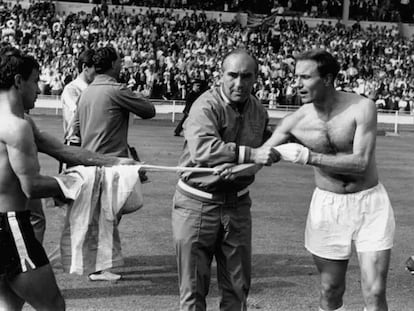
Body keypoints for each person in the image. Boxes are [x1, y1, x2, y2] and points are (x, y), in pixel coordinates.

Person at [259, 49, 395, 311]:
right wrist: (225, 167)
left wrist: (308, 156)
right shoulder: (293, 121)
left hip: (370, 205)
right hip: (328, 206)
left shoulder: (361, 107)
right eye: (296, 77)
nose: (297, 84)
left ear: (328, 78)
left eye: (305, 77)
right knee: (330, 291)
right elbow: (261, 156)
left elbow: (360, 163)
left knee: (375, 292)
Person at [172, 49, 280, 311]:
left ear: (256, 78)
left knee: (237, 289)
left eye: (246, 76)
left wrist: (273, 151)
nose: (239, 83)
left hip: (238, 206)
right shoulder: (204, 106)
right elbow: (203, 149)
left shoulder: (257, 109)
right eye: (232, 75)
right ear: (220, 76)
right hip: (197, 206)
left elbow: (266, 145)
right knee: (193, 291)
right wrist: (252, 154)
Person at [75, 46, 156, 281]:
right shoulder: (115, 89)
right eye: (120, 61)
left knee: (104, 214)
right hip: (111, 164)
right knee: (108, 215)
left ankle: (96, 262)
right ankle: (98, 267)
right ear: (112, 65)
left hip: (89, 162)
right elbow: (149, 111)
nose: (122, 65)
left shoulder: (87, 92)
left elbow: (77, 130)